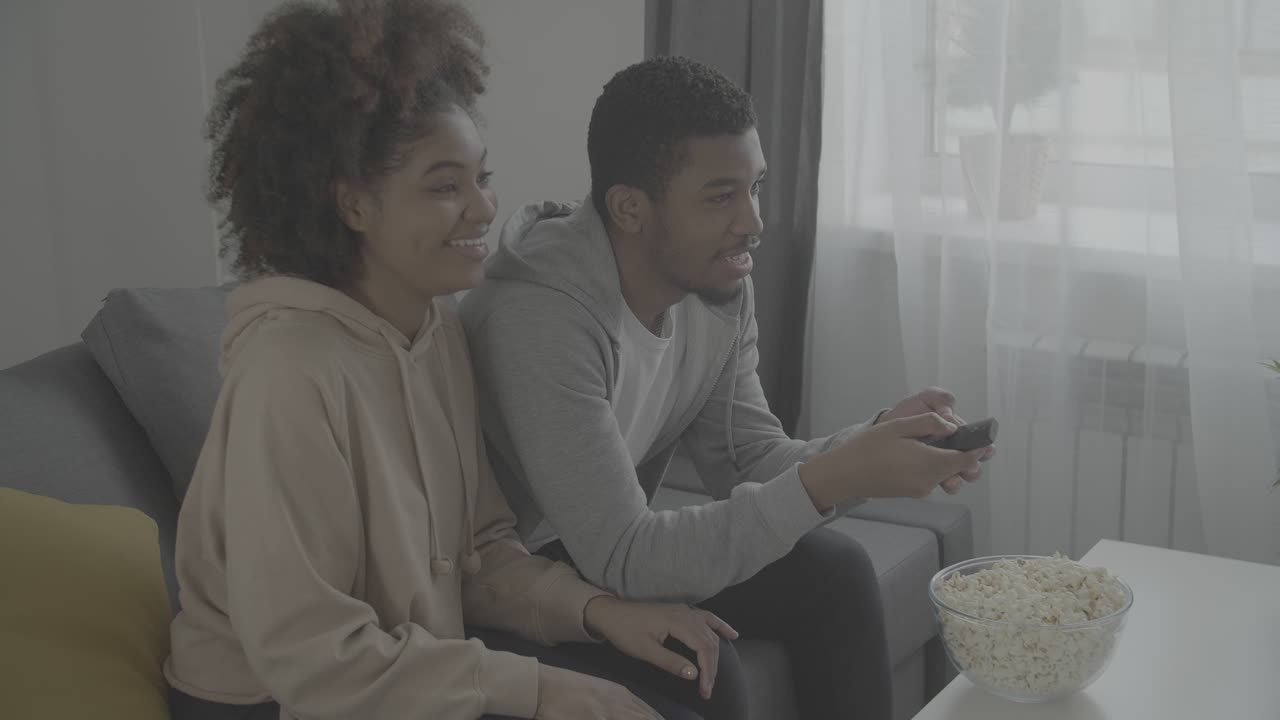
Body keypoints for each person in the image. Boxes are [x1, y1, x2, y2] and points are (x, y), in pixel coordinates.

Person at [163, 6, 735, 720]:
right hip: (274, 702)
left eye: (481, 177)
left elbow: (481, 551)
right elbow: (313, 659)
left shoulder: (436, 334)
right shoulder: (288, 375)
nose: (484, 207)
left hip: (407, 668)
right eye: (445, 186)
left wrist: (599, 611)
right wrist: (544, 688)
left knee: (700, 676)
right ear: (352, 204)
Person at [458, 56, 996, 720]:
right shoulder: (539, 318)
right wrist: (835, 476)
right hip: (511, 581)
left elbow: (746, 460)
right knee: (706, 668)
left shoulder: (713, 286)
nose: (753, 221)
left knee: (833, 571)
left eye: (756, 187)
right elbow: (626, 554)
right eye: (720, 196)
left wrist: (879, 443)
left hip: (591, 549)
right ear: (630, 207)